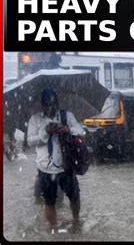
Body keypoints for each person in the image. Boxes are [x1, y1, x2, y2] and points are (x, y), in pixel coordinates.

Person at [27, 89, 84, 233]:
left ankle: (76, 221)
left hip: (67, 165)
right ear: (42, 104)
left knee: (74, 196)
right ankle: (54, 229)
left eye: (53, 104)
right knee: (49, 201)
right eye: (47, 105)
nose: (50, 108)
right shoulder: (35, 119)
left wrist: (67, 129)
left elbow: (81, 131)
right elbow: (30, 142)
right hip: (46, 167)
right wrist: (45, 131)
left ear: (57, 103)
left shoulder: (67, 115)